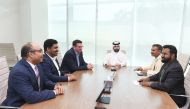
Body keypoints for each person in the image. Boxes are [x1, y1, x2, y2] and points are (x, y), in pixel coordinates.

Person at [1, 42, 64, 107]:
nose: (43, 53)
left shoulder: (37, 65)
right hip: (20, 105)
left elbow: (44, 81)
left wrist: (54, 86)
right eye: (40, 51)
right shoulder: (19, 72)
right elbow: (30, 97)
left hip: (35, 103)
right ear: (31, 54)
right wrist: (55, 92)